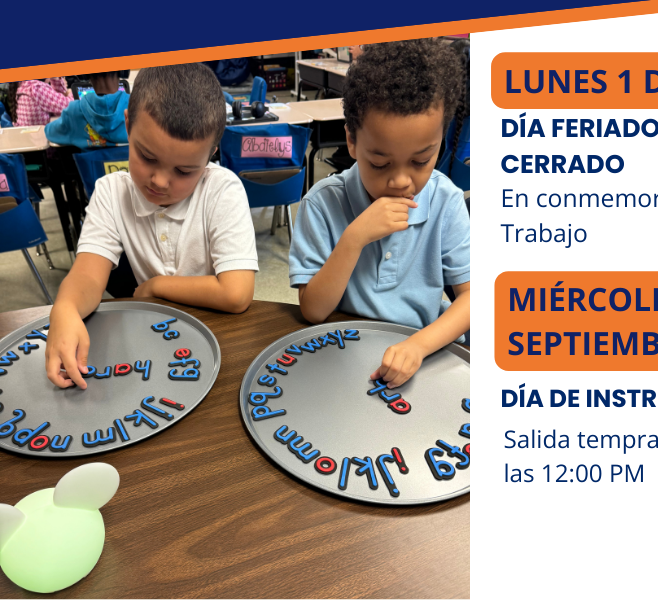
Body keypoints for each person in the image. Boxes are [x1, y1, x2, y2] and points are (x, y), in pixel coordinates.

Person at [45, 64, 258, 389]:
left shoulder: (222, 190)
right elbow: (88, 275)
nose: (160, 181)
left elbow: (236, 293)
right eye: (147, 157)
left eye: (185, 171)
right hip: (156, 350)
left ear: (212, 152)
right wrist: (66, 306)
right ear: (128, 124)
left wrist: (157, 285)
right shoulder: (111, 192)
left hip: (220, 349)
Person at [289, 39, 470, 389]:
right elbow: (313, 311)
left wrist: (419, 345)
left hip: (423, 358)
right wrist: (354, 238)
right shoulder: (321, 204)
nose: (402, 181)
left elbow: (473, 297)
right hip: (340, 359)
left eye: (421, 161)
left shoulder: (445, 200)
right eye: (380, 163)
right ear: (352, 141)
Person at [44, 71, 129, 148]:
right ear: (123, 72)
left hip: (93, 165)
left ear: (84, 75)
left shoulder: (74, 111)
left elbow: (49, 132)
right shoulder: (137, 107)